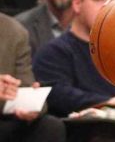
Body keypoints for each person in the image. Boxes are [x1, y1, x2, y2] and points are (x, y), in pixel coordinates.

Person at [0, 12, 66, 142]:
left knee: (50, 126)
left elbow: (25, 85)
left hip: (4, 118)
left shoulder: (14, 32)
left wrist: (30, 103)